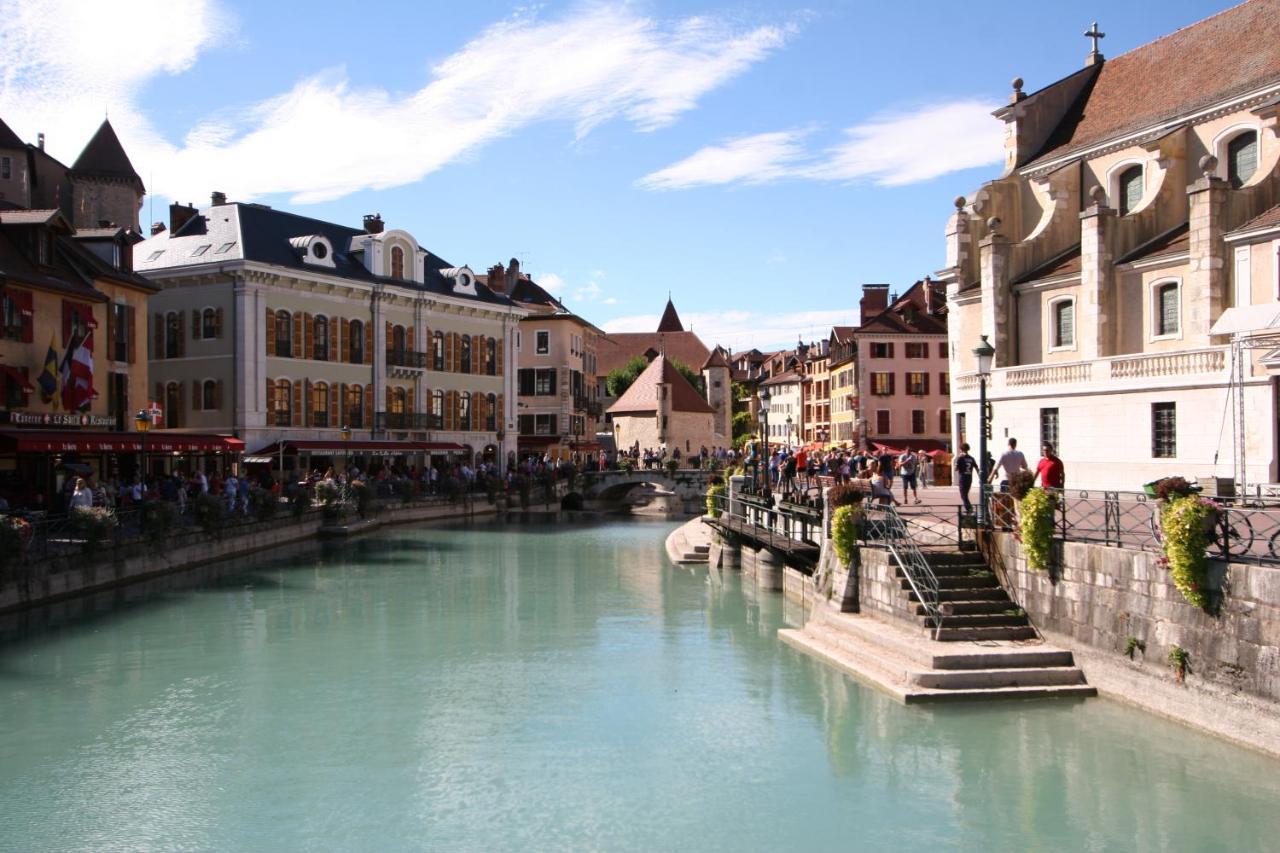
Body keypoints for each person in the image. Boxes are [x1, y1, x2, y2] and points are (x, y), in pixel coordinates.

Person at [954, 442, 977, 514]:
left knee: (963, 495)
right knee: (966, 494)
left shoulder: (960, 458)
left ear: (961, 449)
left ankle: (969, 509)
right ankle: (968, 508)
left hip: (963, 478)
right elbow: (976, 467)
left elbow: (956, 469)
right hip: (969, 478)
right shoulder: (971, 458)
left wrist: (956, 462)